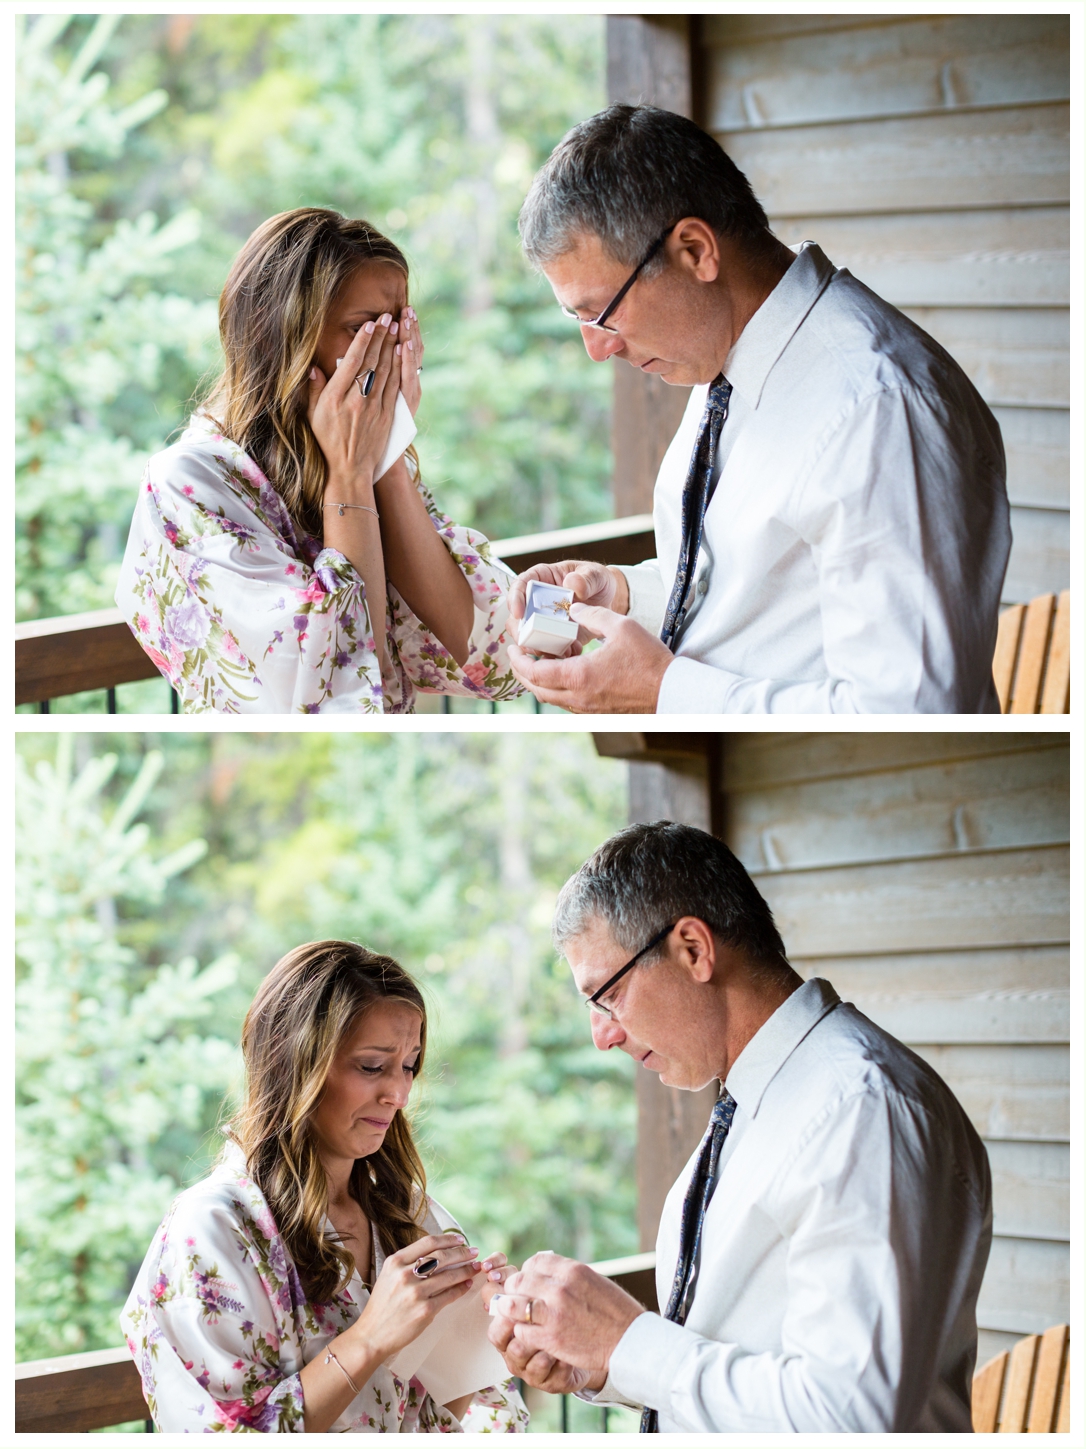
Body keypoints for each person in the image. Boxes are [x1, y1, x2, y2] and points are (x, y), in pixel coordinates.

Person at [485, 822, 992, 1431]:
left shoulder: (858, 1109)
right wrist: (595, 1363)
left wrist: (628, 1341)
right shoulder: (757, 1103)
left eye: (607, 996)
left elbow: (851, 1418)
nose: (603, 1036)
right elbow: (738, 1352)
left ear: (693, 950)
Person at [506, 104, 1009, 713]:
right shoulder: (725, 360)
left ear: (695, 251)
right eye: (576, 318)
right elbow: (746, 597)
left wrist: (665, 693)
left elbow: (910, 709)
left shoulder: (875, 409)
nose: (597, 347)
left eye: (601, 312)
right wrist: (618, 593)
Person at [115, 208, 526, 713]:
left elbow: (487, 650)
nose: (395, 352)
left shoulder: (357, 454)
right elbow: (342, 686)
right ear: (282, 335)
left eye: (401, 328)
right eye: (366, 331)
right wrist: (350, 475)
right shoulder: (187, 483)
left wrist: (384, 452)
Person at [122, 942, 528, 1432]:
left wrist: (476, 1327)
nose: (398, 1094)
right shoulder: (210, 1230)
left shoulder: (411, 1219)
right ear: (294, 1064)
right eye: (373, 1066)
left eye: (410, 1065)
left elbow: (438, 1420)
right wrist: (370, 1337)